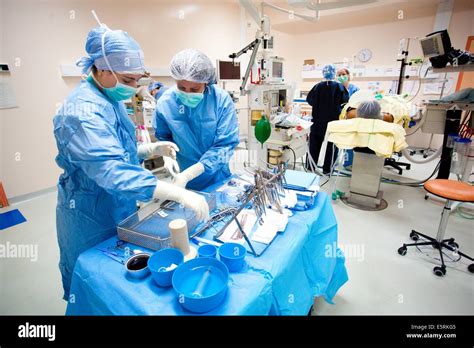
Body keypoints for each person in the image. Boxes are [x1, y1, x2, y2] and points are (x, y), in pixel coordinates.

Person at [53, 26, 209, 300]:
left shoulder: (108, 98)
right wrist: (176, 192)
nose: (134, 87)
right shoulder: (80, 112)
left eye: (137, 79)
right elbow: (111, 170)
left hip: (118, 205)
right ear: (101, 69)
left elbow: (116, 150)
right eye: (128, 79)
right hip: (89, 212)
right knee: (92, 284)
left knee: (120, 281)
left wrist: (148, 149)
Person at [154, 49, 239, 191]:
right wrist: (167, 155)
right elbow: (164, 137)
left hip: (216, 177)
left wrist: (193, 172)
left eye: (194, 89)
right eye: (181, 87)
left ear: (206, 83)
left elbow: (225, 145)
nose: (187, 93)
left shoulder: (221, 100)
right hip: (182, 178)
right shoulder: (165, 103)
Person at [306, 64, 349, 174]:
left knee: (314, 144)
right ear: (334, 73)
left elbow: (309, 100)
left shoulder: (317, 86)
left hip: (318, 120)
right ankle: (327, 170)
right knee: (332, 146)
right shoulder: (339, 87)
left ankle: (310, 167)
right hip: (333, 121)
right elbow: (345, 102)